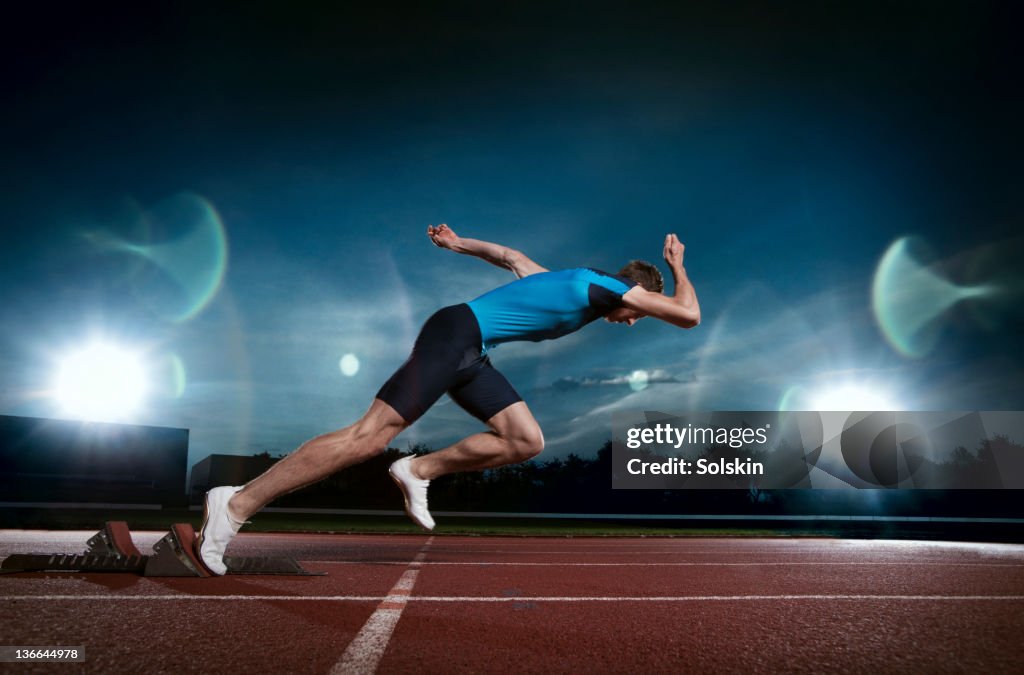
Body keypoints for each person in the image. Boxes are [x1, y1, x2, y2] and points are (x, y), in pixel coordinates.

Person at [197, 224, 700, 575]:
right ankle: (235, 505)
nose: (633, 322)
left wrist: (460, 246)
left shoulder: (573, 283)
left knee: (525, 440)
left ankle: (418, 471)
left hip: (472, 351)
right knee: (367, 438)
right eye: (638, 313)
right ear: (633, 293)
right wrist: (677, 267)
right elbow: (689, 315)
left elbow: (512, 258)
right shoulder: (608, 289)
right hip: (457, 334)